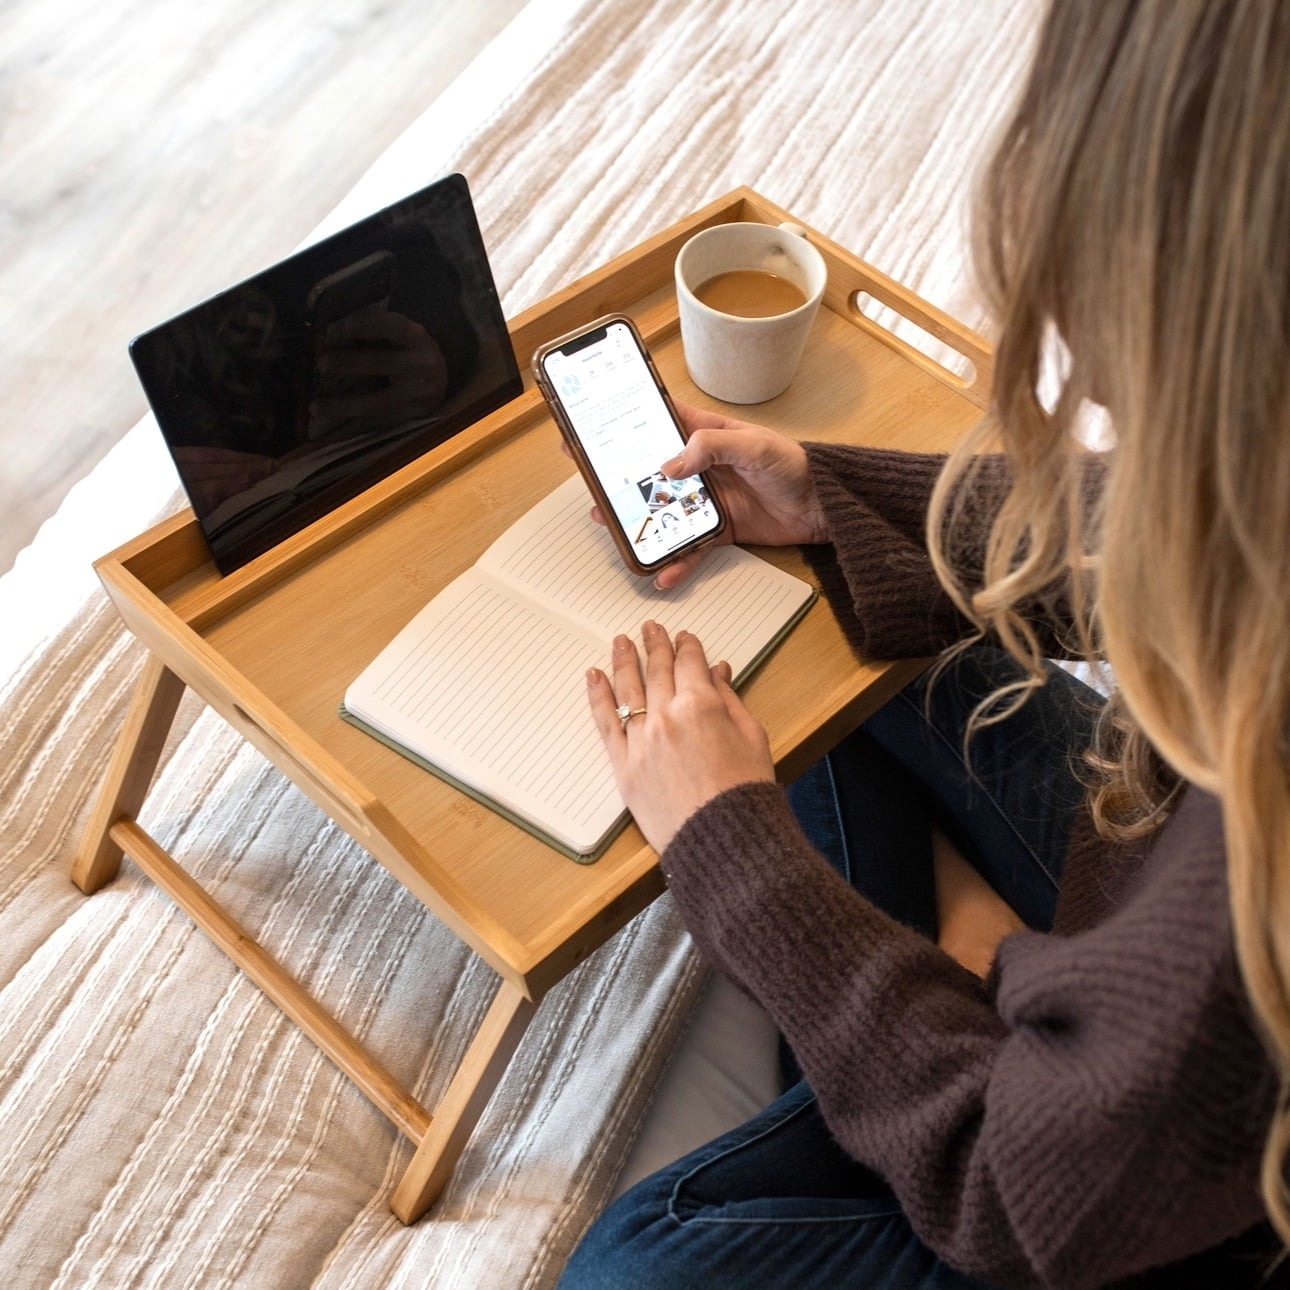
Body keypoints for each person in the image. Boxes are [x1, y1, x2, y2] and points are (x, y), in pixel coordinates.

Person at [558, 2, 1290, 1287]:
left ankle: (915, 1072)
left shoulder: (1260, 862)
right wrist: (843, 498)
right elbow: (1184, 529)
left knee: (633, 1266)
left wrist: (737, 860)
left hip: (1134, 1220)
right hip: (1150, 1013)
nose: (1095, 377)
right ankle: (913, 1061)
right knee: (868, 631)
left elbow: (1022, 1204)